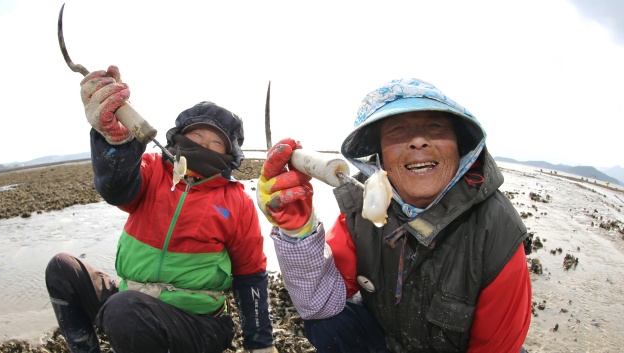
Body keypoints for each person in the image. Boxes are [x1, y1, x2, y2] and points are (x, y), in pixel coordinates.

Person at [256, 78, 531, 352]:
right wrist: (298, 232)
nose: (418, 141)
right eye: (398, 130)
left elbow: (496, 346)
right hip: (391, 343)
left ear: (461, 148)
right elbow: (319, 302)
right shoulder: (361, 212)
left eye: (435, 126)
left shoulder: (496, 228)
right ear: (380, 157)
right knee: (326, 323)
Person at [46, 65, 277, 353]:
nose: (205, 145)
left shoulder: (237, 201)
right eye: (196, 136)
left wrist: (261, 344)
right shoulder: (154, 169)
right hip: (133, 298)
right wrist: (115, 140)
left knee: (125, 310)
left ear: (230, 153)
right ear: (180, 136)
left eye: (217, 141)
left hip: (199, 324)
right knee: (62, 269)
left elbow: (250, 273)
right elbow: (116, 190)